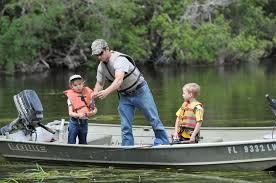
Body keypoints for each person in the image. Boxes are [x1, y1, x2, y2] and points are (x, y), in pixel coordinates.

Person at [91, 39, 169, 146]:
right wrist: (95, 93)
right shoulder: (101, 67)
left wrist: (106, 92)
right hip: (124, 96)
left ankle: (163, 142)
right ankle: (127, 147)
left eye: (100, 53)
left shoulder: (119, 60)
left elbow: (119, 80)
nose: (99, 57)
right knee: (125, 125)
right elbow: (99, 83)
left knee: (153, 119)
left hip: (140, 91)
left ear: (107, 49)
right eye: (96, 55)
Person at [64, 74, 97, 144]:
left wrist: (91, 113)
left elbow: (95, 109)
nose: (78, 87)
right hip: (74, 123)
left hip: (84, 123)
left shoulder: (88, 94)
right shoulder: (70, 98)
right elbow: (70, 113)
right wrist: (78, 115)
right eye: (75, 85)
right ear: (71, 86)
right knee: (71, 141)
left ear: (83, 83)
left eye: (80, 84)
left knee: (83, 141)